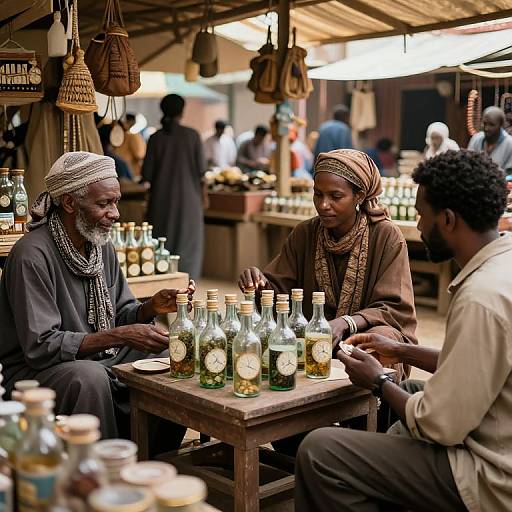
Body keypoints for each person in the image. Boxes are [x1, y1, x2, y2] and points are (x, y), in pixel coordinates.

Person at [295, 150, 511, 512]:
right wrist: (404, 353)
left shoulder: (480, 298)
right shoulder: (501, 267)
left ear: (448, 219)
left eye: (421, 215)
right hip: (494, 430)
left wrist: (378, 380)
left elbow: (440, 426)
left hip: (492, 473)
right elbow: (477, 365)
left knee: (319, 451)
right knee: (409, 387)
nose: (419, 226)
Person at [0, 151, 195, 450]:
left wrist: (151, 307)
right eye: (104, 203)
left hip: (98, 355)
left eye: (115, 201)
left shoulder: (99, 245)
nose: (115, 213)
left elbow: (121, 313)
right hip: (38, 371)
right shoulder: (32, 255)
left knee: (174, 358)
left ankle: (151, 455)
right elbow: (41, 346)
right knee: (88, 378)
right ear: (69, 203)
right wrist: (119, 335)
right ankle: (103, 470)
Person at [239, 149, 417, 368]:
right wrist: (258, 284)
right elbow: (279, 291)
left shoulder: (385, 236)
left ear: (359, 196)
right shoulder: (305, 233)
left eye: (335, 196)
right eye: (318, 194)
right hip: (312, 336)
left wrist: (346, 323)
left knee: (381, 338)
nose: (323, 204)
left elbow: (393, 307)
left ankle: (376, 397)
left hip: (364, 334)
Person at [142, 94, 207, 279]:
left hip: (161, 201)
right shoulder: (192, 136)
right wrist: (205, 197)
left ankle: (161, 286)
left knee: (162, 244)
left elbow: (147, 174)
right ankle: (187, 289)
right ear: (182, 111)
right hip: (190, 201)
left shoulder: (155, 138)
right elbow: (202, 172)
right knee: (189, 247)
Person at [468, 106, 512, 173]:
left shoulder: (509, 143)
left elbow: (510, 173)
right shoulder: (476, 138)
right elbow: (467, 162)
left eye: (491, 125)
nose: (486, 128)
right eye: (485, 124)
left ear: (501, 125)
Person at [114, 113, 146, 179]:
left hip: (117, 169)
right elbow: (140, 155)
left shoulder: (118, 135)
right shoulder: (133, 136)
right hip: (130, 171)